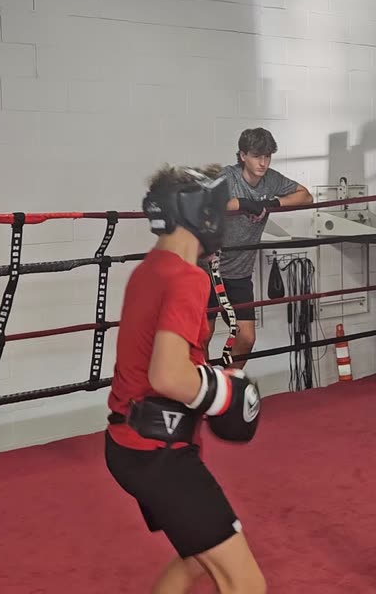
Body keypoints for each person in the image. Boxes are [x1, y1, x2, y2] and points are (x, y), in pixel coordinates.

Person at [105, 164, 267, 594]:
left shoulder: (151, 268)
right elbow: (168, 375)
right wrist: (225, 390)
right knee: (246, 583)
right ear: (203, 214)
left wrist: (211, 380)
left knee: (197, 560)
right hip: (158, 452)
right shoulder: (186, 277)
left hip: (129, 443)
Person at [208, 127, 312, 367]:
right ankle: (207, 393)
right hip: (208, 269)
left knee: (246, 338)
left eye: (267, 156)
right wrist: (244, 203)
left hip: (240, 273)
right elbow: (205, 202)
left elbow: (306, 196)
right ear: (243, 155)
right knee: (203, 333)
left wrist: (273, 202)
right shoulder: (228, 177)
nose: (263, 163)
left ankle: (230, 385)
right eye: (257, 156)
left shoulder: (271, 179)